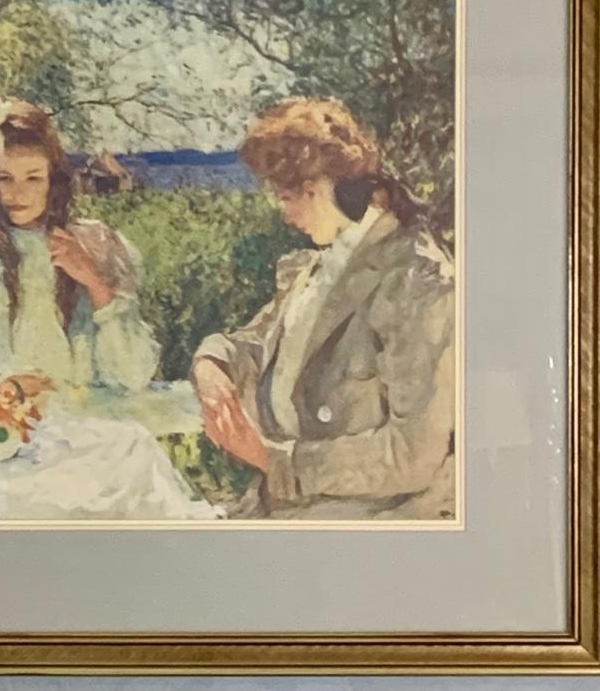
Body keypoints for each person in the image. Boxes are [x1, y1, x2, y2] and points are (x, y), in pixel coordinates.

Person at [191, 97, 456, 520]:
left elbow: (412, 455)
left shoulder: (417, 279)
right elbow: (255, 344)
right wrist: (210, 366)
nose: (285, 214)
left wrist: (276, 462)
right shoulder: (320, 267)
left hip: (371, 520)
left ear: (319, 188)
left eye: (286, 197)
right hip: (284, 508)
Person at [0, 97, 161, 392]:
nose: (18, 193)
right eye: (5, 178)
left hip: (84, 408)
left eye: (33, 178)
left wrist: (93, 280)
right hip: (8, 410)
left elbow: (133, 375)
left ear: (52, 182)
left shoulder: (92, 242)